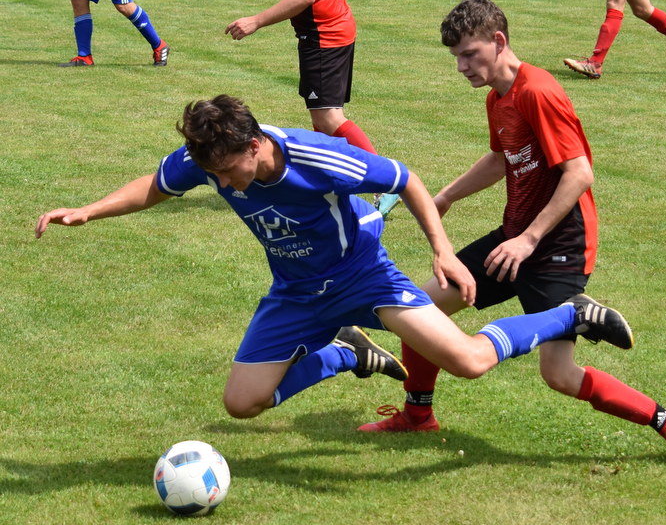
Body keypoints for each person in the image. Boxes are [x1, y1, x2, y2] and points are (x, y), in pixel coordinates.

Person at [35, 94, 635, 423]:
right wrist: (89, 210)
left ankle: (570, 315)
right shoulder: (210, 158)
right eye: (212, 175)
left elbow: (405, 179)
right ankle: (347, 353)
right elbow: (156, 186)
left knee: (469, 361)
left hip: (361, 279)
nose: (222, 185)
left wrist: (443, 252)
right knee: (241, 404)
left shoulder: (316, 158)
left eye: (228, 172)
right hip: (296, 293)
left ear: (256, 146)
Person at [358, 0, 666, 471]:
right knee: (423, 308)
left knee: (559, 375)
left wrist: (528, 240)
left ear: (499, 41)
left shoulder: (538, 91)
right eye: (456, 57)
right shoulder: (498, 98)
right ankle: (418, 414)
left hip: (557, 245)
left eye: (469, 54)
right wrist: (445, 198)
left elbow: (579, 173)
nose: (461, 67)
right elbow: (499, 159)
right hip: (515, 238)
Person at [225, 0, 399, 216]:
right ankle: (328, 182)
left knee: (329, 117)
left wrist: (256, 21)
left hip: (323, 35)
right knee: (321, 120)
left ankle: (386, 183)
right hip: (337, 27)